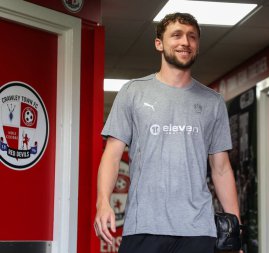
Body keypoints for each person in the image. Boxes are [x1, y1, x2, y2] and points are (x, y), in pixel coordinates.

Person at [94, 12, 241, 253]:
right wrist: (103, 202)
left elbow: (221, 168)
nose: (185, 42)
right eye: (177, 35)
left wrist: (235, 231)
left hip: (198, 229)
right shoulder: (133, 92)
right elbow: (112, 154)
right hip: (144, 226)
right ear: (159, 43)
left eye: (192, 37)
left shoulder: (212, 102)